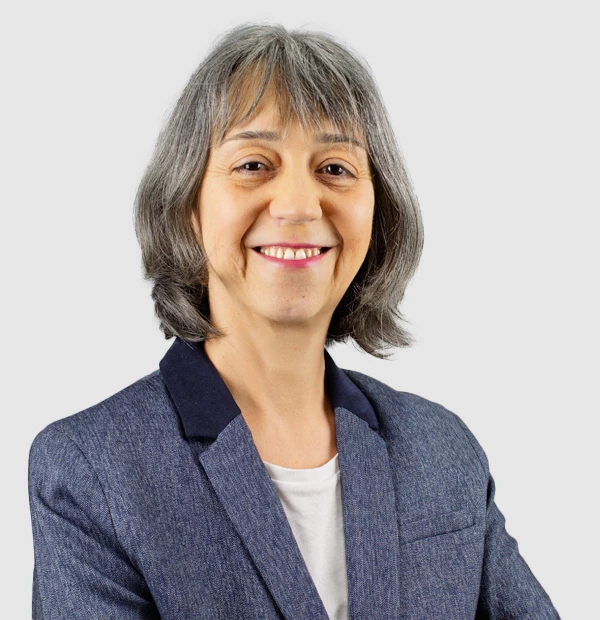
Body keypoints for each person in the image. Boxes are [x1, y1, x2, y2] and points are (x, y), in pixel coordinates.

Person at [28, 23, 560, 619]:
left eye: (334, 168)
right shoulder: (93, 471)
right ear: (187, 205)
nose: (301, 205)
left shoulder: (442, 450)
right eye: (254, 163)